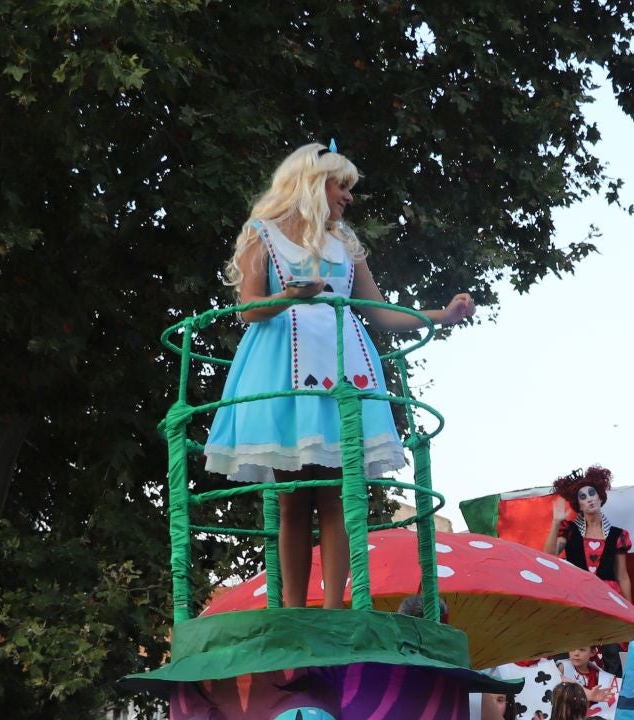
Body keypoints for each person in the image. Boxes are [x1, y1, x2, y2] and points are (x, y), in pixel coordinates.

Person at [203, 143, 474, 609]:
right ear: (311, 184)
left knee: (335, 493)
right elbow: (248, 310)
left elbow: (379, 314)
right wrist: (289, 295)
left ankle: (334, 609)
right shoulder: (261, 233)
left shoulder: (345, 242)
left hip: (341, 370)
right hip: (280, 373)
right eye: (340, 185)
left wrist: (441, 315)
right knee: (292, 497)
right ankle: (292, 610)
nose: (348, 197)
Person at [545, 466, 634, 613]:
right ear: (578, 505)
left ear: (600, 497)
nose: (589, 499)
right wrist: (555, 522)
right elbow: (549, 556)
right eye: (583, 497)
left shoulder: (618, 535)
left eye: (592, 493)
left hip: (609, 598)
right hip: (579, 596)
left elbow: (622, 576)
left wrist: (631, 612)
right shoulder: (570, 530)